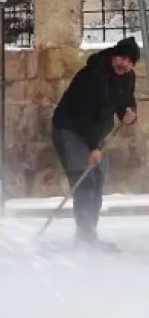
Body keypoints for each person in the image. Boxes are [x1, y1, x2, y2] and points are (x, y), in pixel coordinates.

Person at [50, 35, 139, 250]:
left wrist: (130, 114)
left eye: (129, 61)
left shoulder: (127, 77)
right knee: (85, 180)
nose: (123, 64)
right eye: (121, 58)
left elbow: (126, 101)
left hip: (93, 133)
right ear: (112, 56)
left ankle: (89, 234)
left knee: (97, 179)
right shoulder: (93, 76)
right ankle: (84, 237)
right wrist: (93, 147)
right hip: (70, 129)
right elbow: (83, 115)